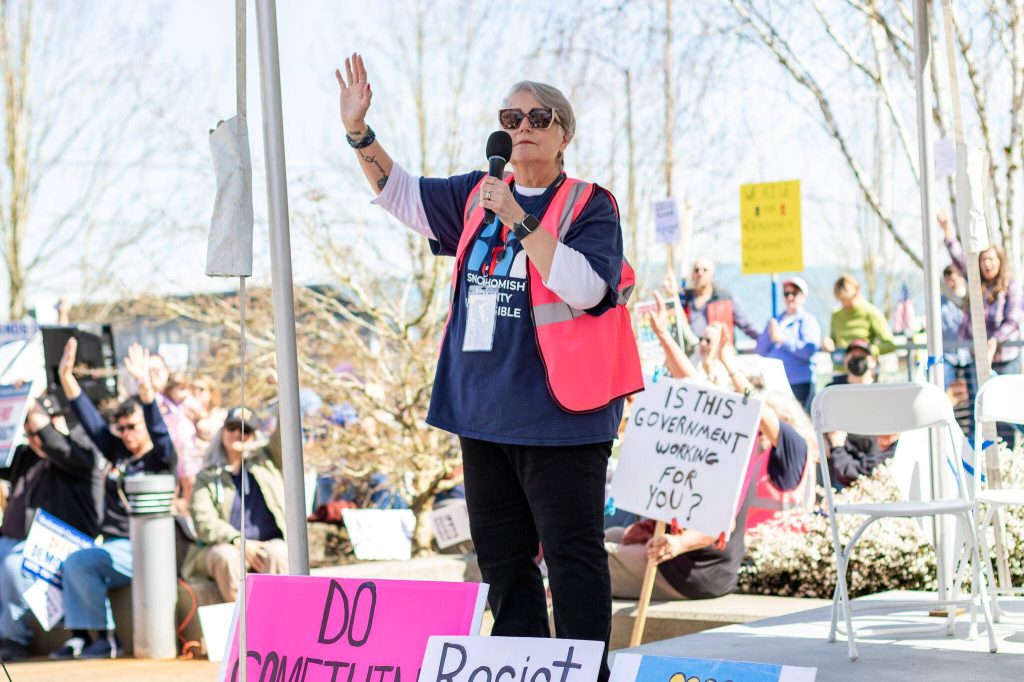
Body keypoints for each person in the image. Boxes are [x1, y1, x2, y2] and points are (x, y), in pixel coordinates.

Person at [337, 54, 642, 678]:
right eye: (511, 116)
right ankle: (521, 667)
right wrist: (359, 134)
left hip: (561, 415)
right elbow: (401, 195)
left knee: (572, 558)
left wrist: (520, 219)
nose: (522, 125)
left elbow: (588, 291)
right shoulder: (478, 192)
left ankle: (586, 673)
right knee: (503, 563)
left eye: (538, 116)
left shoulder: (589, 205)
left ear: (564, 135)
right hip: (482, 411)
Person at [606, 313, 810, 599]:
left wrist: (729, 363)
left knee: (590, 558)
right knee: (611, 535)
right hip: (691, 559)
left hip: (705, 567)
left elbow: (757, 408)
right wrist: (663, 336)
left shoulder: (762, 449)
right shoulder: (718, 446)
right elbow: (689, 380)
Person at [51, 339, 176, 660]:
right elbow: (91, 421)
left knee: (81, 560)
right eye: (121, 429)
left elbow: (159, 429)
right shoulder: (119, 451)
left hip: (150, 548)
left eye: (133, 426)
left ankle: (106, 639)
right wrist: (66, 377)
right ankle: (85, 637)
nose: (127, 433)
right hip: (117, 544)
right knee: (71, 558)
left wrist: (145, 387)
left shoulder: (159, 457)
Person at [0, 395, 103, 661]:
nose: (33, 438)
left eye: (36, 431)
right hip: (15, 540)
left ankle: (15, 638)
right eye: (28, 433)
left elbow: (58, 445)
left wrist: (32, 402)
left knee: (13, 564)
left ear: (55, 422)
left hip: (61, 546)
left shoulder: (78, 455)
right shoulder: (25, 456)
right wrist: (12, 400)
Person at [182, 408, 288, 603]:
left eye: (245, 430)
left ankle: (276, 619)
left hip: (267, 542)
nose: (238, 434)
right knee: (228, 558)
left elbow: (286, 433)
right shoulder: (208, 476)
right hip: (224, 546)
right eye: (232, 427)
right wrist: (237, 540)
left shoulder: (268, 461)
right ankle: (242, 626)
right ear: (222, 431)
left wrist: (282, 392)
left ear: (253, 436)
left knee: (278, 553)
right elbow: (203, 521)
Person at [940, 212, 1023, 386]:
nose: (987, 264)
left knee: (1005, 408)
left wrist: (994, 340)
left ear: (999, 261)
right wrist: (946, 228)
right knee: (978, 404)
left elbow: (1012, 321)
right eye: (983, 260)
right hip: (978, 356)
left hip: (1005, 359)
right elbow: (958, 256)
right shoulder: (977, 283)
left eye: (991, 259)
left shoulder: (1011, 286)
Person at [754, 276, 821, 410]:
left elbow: (808, 351)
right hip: (775, 383)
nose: (790, 297)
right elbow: (760, 350)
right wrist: (769, 334)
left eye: (794, 293)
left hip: (800, 381)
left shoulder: (808, 321)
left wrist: (782, 339)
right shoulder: (775, 321)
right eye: (786, 293)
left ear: (803, 296)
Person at [824, 274, 896, 382]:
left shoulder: (871, 312)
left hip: (864, 372)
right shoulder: (836, 315)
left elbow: (890, 344)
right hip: (841, 371)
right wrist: (828, 343)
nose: (845, 304)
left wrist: (868, 351)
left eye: (847, 299)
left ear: (857, 292)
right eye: (842, 300)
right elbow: (834, 340)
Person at [679, 257, 760, 347]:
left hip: (719, 352)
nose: (700, 273)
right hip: (691, 353)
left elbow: (746, 325)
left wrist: (766, 340)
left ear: (712, 275)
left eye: (705, 270)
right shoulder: (683, 300)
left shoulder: (725, 298)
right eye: (696, 270)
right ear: (691, 275)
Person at [941, 265, 971, 390]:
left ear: (961, 279)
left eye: (953, 279)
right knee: (939, 387)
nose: (950, 283)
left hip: (968, 353)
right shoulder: (940, 301)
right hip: (948, 354)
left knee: (976, 390)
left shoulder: (970, 299)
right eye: (947, 280)